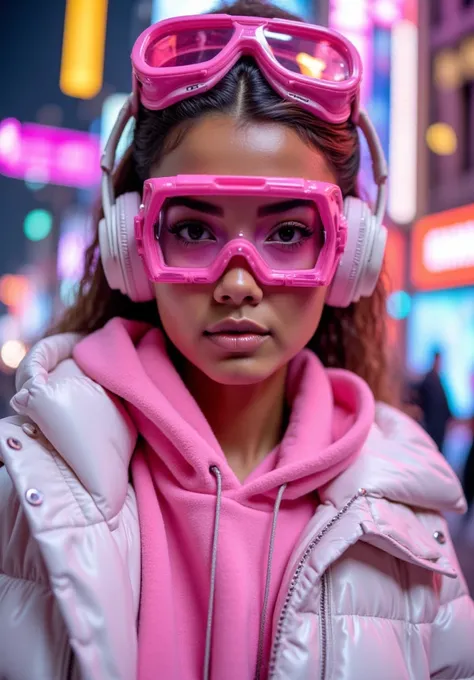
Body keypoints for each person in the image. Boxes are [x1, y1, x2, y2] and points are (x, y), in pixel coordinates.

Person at [1, 2, 473, 679]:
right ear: (131, 239)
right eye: (194, 230)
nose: (238, 286)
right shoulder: (29, 485)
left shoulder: (407, 517)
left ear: (349, 253)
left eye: (287, 233)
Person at [418, 350, 453, 452]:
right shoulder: (428, 380)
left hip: (440, 428)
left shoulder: (440, 380)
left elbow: (445, 405)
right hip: (431, 427)